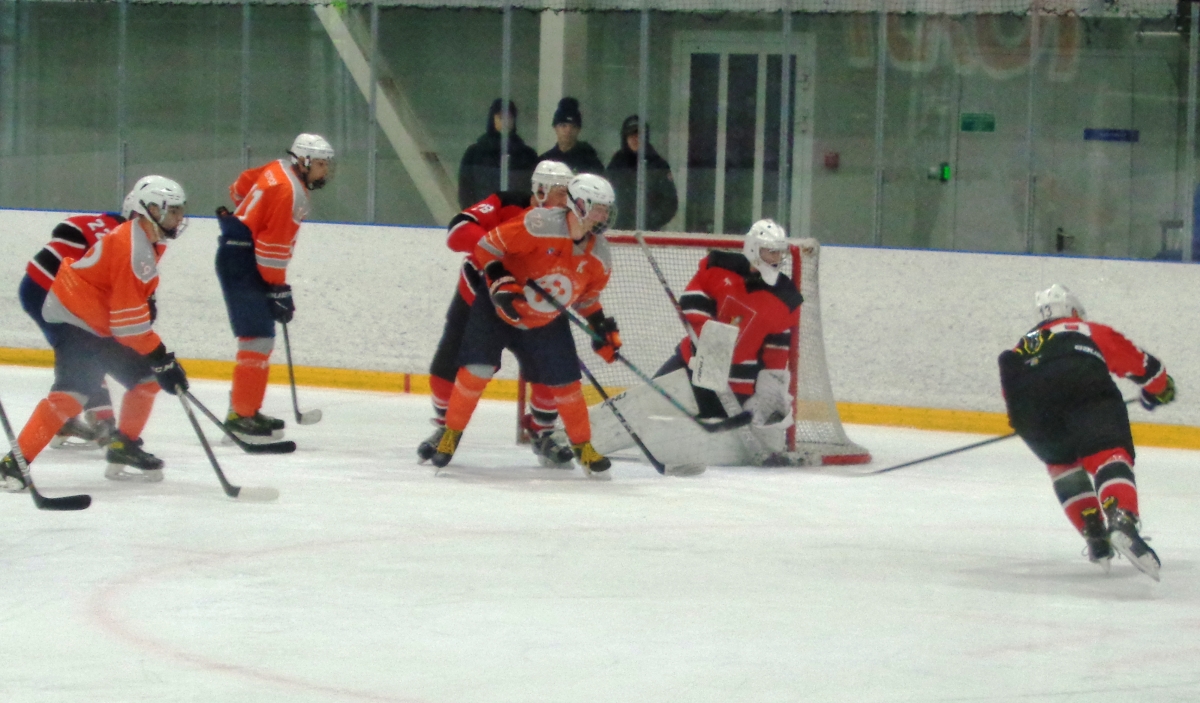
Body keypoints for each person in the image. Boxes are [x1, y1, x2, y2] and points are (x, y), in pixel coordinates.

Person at [1, 177, 191, 490]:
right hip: (75, 319)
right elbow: (128, 326)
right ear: (151, 209)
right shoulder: (135, 248)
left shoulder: (146, 240)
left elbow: (126, 310)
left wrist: (158, 359)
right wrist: (161, 357)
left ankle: (123, 445)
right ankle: (14, 464)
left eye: (180, 210)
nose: (179, 218)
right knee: (72, 394)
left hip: (101, 322)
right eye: (173, 211)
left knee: (146, 379)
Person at [428, 174, 621, 477]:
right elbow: (487, 248)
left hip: (545, 319)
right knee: (476, 370)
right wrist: (501, 280)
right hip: (498, 308)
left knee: (566, 384)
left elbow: (586, 298)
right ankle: (450, 435)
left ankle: (584, 447)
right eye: (597, 208)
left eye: (606, 210)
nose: (603, 216)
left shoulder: (600, 254)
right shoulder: (537, 224)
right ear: (578, 205)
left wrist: (600, 326)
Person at [998, 284, 1172, 581]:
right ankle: (1121, 518)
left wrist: (1034, 421)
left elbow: (1012, 392)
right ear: (1073, 310)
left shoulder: (1024, 344)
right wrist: (1159, 390)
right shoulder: (1084, 329)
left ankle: (1094, 533)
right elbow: (1142, 366)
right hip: (1080, 385)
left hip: (1027, 409)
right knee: (1107, 453)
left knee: (1063, 464)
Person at [420, 160, 577, 467]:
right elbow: (457, 231)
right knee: (447, 366)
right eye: (561, 193)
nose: (566, 201)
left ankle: (542, 429)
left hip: (531, 306)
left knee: (550, 369)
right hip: (476, 299)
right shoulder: (506, 203)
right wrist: (497, 252)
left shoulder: (568, 223)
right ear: (540, 190)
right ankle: (445, 427)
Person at [215, 133, 334, 441]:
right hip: (244, 260)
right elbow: (271, 250)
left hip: (238, 252)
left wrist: (251, 215)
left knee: (261, 338)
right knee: (256, 339)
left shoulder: (278, 167)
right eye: (321, 164)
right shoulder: (290, 192)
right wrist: (278, 289)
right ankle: (240, 417)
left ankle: (245, 409)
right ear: (303, 161)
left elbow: (240, 187)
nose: (325, 171)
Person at [17, 192, 141, 448]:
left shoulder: (105, 223)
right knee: (87, 347)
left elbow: (66, 228)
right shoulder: (126, 239)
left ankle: (74, 417)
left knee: (82, 349)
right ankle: (97, 417)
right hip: (52, 292)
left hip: (36, 286)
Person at [658, 219, 800, 422]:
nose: (776, 258)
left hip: (738, 383)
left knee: (712, 431)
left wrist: (770, 387)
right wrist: (709, 344)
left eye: (779, 252)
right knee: (648, 406)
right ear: (754, 248)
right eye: (771, 252)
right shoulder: (720, 266)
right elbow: (692, 301)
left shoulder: (786, 296)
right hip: (691, 363)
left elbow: (777, 347)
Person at [458, 99, 540, 209]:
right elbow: (465, 191)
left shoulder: (527, 155)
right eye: (501, 117)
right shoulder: (474, 153)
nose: (505, 122)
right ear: (493, 119)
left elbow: (533, 191)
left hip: (517, 214)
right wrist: (473, 213)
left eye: (509, 118)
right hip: (483, 214)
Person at [606, 115, 678, 231]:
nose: (635, 139)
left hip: (648, 234)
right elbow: (606, 195)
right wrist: (613, 220)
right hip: (619, 232)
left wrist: (650, 222)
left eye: (639, 135)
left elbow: (669, 203)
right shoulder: (617, 163)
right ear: (625, 138)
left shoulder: (658, 165)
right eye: (631, 135)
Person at [538, 98, 605, 177]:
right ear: (555, 128)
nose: (568, 131)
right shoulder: (546, 161)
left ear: (579, 130)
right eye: (563, 126)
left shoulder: (590, 161)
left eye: (573, 126)